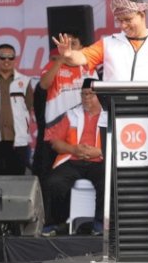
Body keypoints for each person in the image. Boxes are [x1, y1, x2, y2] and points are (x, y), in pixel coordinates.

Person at [53, 0, 148, 99]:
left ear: (142, 15)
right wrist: (69, 54)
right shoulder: (108, 43)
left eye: (128, 20)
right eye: (119, 21)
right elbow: (82, 57)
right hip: (112, 120)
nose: (123, 25)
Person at [42, 79, 106, 236]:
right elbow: (55, 142)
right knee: (53, 182)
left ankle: (100, 223)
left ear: (101, 96)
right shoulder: (71, 114)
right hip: (73, 159)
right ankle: (56, 223)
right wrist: (74, 149)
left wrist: (99, 151)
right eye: (83, 94)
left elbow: (120, 143)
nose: (86, 98)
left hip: (100, 160)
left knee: (108, 180)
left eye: (91, 94)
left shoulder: (110, 116)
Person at [37, 35, 97, 180]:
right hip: (55, 128)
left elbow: (96, 100)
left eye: (73, 44)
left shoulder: (89, 69)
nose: (69, 47)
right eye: (66, 44)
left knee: (73, 174)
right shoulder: (53, 65)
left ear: (82, 48)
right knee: (50, 176)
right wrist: (61, 60)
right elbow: (44, 85)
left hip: (78, 129)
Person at [0, 43, 34, 175]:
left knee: (16, 178)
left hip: (17, 139)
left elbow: (29, 107)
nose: (7, 61)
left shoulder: (25, 81)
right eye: (2, 57)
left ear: (15, 60)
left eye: (11, 57)